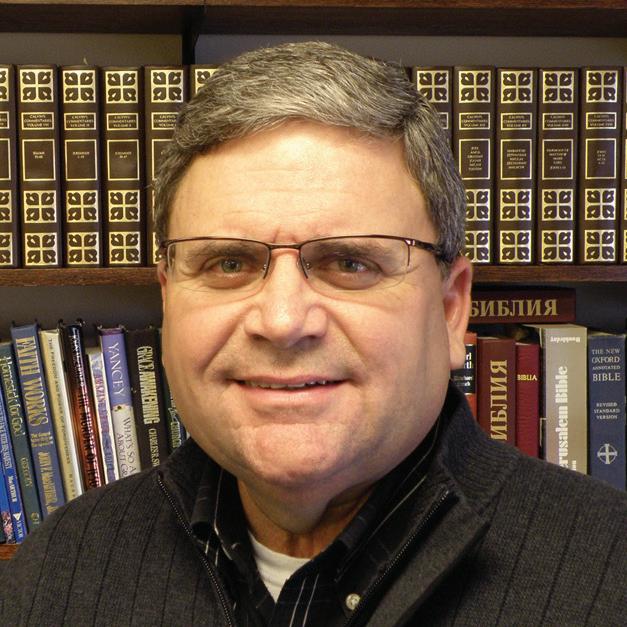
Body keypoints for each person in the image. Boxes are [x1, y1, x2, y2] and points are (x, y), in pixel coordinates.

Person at [2, 42, 625, 626]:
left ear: (449, 309)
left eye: (349, 263)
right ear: (168, 298)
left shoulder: (609, 576)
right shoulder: (56, 574)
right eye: (228, 262)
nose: (282, 321)